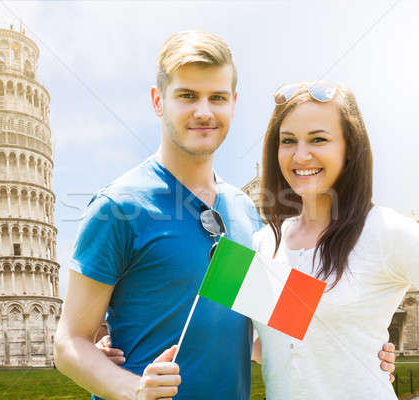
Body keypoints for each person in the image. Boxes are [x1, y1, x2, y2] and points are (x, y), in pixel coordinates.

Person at [54, 31, 396, 400]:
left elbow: (262, 334)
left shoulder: (243, 210)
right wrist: (131, 387)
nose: (204, 111)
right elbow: (69, 341)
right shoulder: (118, 208)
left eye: (216, 97)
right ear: (158, 101)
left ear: (233, 103)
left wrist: (361, 351)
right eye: (187, 96)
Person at [250, 80, 419, 399]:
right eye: (288, 141)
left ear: (350, 148)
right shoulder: (265, 242)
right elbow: (280, 345)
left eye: (318, 139)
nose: (301, 155)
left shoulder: (385, 232)